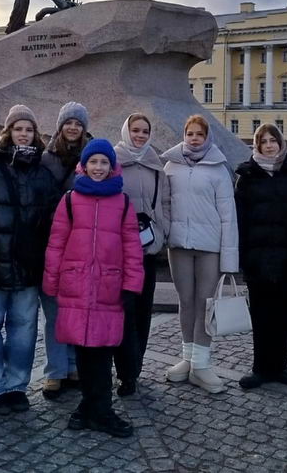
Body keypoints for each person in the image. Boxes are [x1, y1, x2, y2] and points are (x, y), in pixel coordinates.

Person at [43, 138, 144, 437]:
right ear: (84, 165)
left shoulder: (123, 203)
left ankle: (101, 409)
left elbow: (132, 248)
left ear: (112, 167)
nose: (98, 167)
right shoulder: (70, 200)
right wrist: (51, 281)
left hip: (108, 287)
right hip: (76, 284)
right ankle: (88, 406)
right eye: (93, 162)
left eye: (104, 162)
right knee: (83, 350)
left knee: (102, 351)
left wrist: (131, 285)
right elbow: (56, 244)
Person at [0, 105, 61, 414]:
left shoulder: (43, 173)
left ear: (36, 134)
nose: (24, 134)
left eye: (29, 129)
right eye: (18, 128)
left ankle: (16, 385)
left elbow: (52, 220)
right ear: (8, 132)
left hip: (28, 267)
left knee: (23, 329)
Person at [162, 114, 238, 394]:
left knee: (205, 304)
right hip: (179, 245)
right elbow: (165, 205)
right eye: (190, 133)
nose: (194, 139)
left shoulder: (218, 168)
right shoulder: (171, 165)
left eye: (199, 134)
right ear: (184, 135)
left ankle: (202, 363)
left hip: (209, 247)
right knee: (185, 302)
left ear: (207, 137)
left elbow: (228, 216)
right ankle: (187, 357)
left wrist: (229, 259)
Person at [234, 123, 287, 391]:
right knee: (260, 314)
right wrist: (242, 255)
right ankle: (260, 368)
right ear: (257, 146)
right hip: (258, 255)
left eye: (272, 141)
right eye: (263, 141)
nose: (268, 146)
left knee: (283, 314)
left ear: (280, 143)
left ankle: (280, 367)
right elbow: (239, 220)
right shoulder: (247, 176)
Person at [112, 112, 170, 396]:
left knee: (143, 311)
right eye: (135, 130)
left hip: (147, 248)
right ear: (126, 131)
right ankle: (124, 371)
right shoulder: (113, 160)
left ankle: (135, 368)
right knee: (123, 311)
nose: (140, 135)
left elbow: (164, 201)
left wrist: (162, 230)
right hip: (119, 251)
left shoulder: (155, 163)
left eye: (144, 131)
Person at [38, 101, 91, 398]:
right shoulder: (46, 158)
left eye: (78, 123)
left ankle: (73, 366)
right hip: (51, 240)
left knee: (76, 309)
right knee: (54, 312)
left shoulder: (92, 157)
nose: (73, 127)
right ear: (60, 126)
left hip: (80, 242)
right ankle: (55, 371)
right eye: (68, 122)